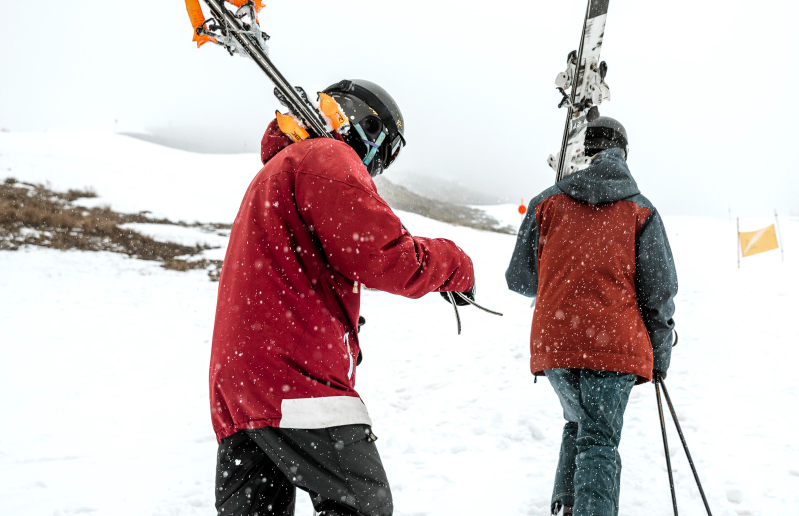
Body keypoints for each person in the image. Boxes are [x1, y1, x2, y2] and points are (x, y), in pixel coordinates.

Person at [210, 79, 476, 516]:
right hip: (294, 378)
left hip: (239, 387)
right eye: (386, 150)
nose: (377, 166)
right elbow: (386, 257)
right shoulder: (324, 157)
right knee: (363, 504)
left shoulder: (275, 173)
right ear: (366, 127)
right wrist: (457, 267)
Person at [505, 115, 678, 516]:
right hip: (613, 346)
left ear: (586, 151)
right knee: (598, 439)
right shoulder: (641, 211)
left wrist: (560, 271)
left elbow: (519, 278)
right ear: (623, 153)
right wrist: (660, 355)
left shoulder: (546, 202)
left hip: (556, 343)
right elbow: (659, 293)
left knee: (579, 423)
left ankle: (567, 507)